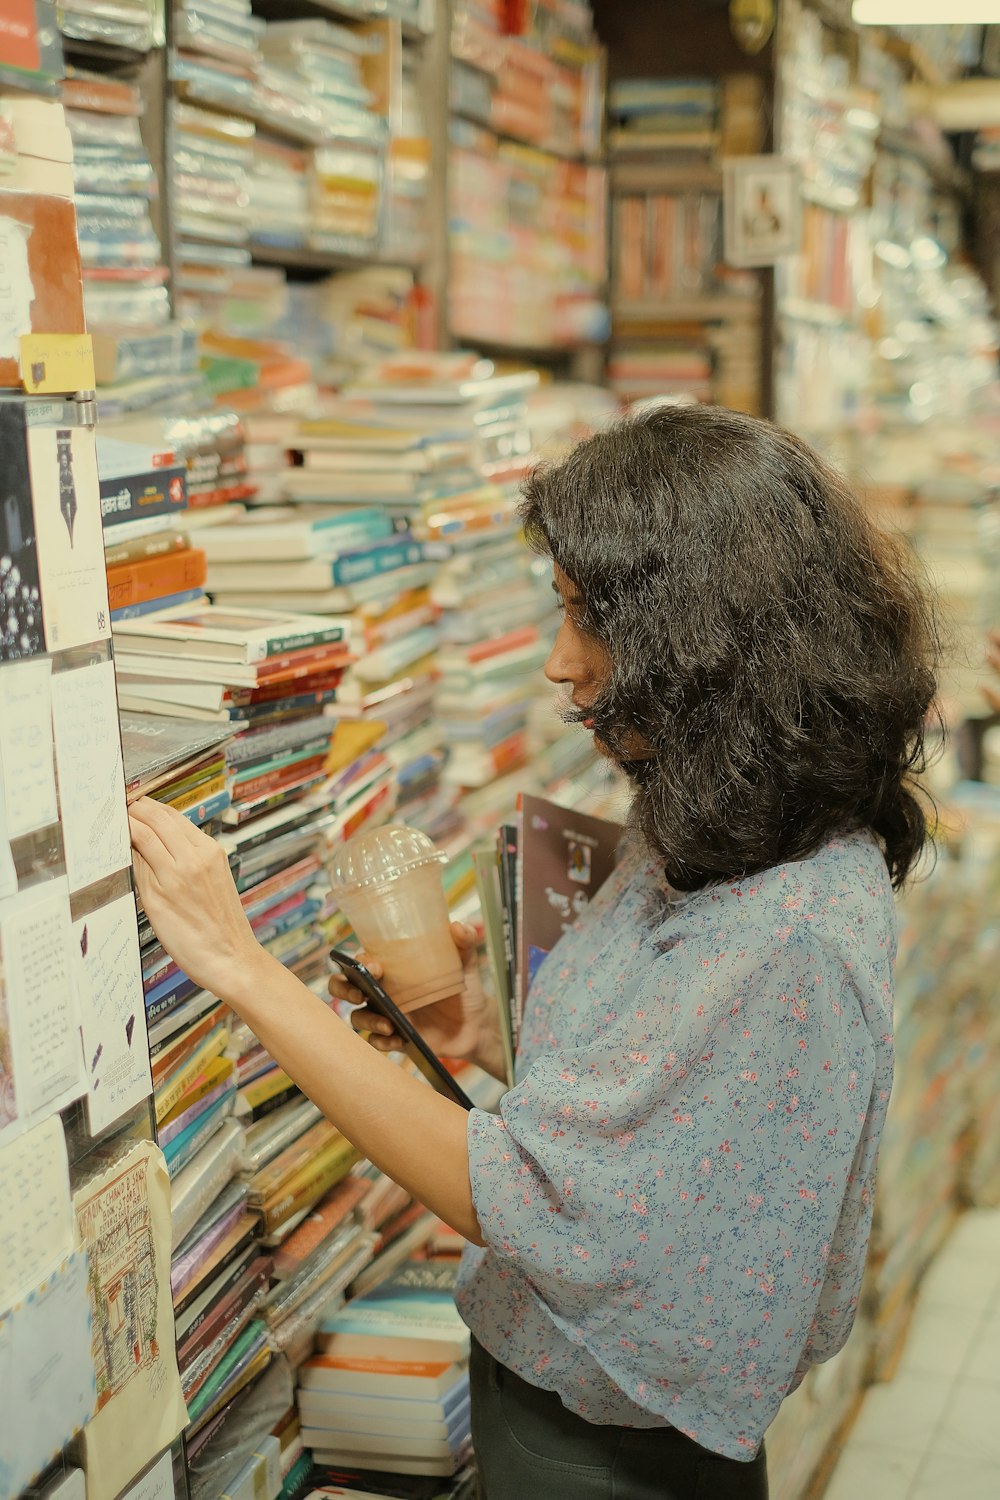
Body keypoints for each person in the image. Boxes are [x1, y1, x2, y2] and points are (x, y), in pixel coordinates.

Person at [130, 404, 938, 1500]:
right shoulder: (722, 817)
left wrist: (240, 968)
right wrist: (488, 1028)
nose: (560, 667)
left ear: (698, 634)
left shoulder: (789, 928)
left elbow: (521, 1191)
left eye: (583, 620)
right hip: (553, 1400)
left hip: (618, 1452)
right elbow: (677, 1109)